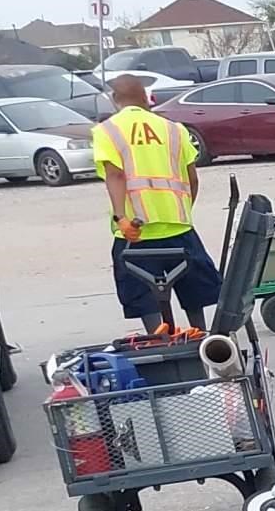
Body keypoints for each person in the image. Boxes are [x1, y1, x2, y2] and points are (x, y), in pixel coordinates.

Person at [91, 78, 218, 336]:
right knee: (194, 293)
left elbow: (115, 175)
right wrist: (181, 210)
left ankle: (159, 342)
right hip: (178, 228)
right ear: (147, 99)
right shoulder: (174, 129)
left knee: (144, 299)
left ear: (116, 100)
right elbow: (192, 178)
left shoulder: (107, 131)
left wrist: (121, 218)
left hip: (135, 234)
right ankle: (203, 343)